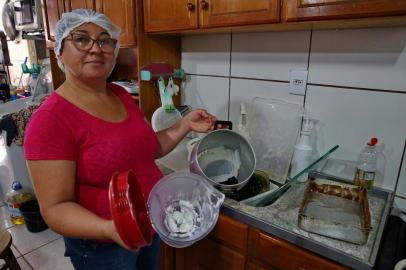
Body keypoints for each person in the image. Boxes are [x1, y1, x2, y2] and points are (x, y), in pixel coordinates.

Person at [23, 9, 217, 270]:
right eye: (81, 39)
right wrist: (111, 228)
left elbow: (148, 150)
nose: (96, 48)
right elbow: (55, 209)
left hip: (150, 225)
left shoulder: (120, 95)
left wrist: (184, 125)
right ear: (59, 50)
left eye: (105, 40)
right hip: (102, 246)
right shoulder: (50, 120)